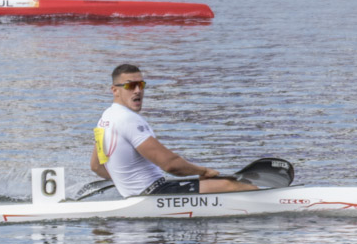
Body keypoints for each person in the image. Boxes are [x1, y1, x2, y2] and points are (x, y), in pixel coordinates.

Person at [89, 64, 257, 197]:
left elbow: (96, 166)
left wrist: (124, 182)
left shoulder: (105, 118)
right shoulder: (128, 119)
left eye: (141, 84)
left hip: (139, 194)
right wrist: (204, 171)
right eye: (131, 86)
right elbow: (170, 165)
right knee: (231, 185)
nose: (138, 90)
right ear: (115, 90)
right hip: (154, 193)